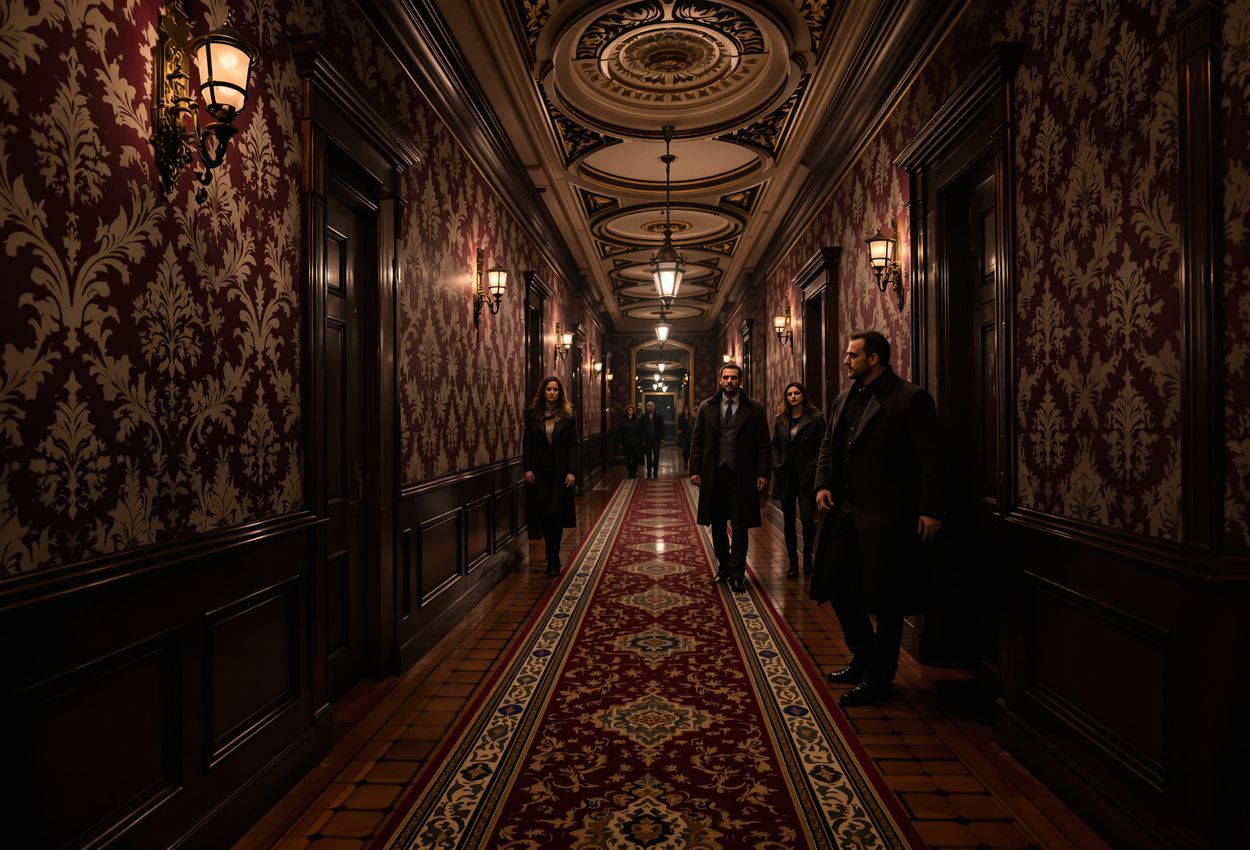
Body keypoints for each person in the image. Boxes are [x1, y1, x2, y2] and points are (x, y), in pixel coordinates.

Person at [810, 331, 942, 706]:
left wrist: (931, 509)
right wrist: (821, 483)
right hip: (844, 512)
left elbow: (930, 459)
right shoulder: (842, 398)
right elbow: (827, 446)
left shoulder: (909, 398)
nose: (846, 360)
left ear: (875, 359)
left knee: (887, 600)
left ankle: (880, 676)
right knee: (836, 583)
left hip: (888, 515)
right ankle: (863, 655)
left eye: (852, 355)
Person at [688, 363, 771, 593]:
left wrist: (763, 472)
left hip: (742, 476)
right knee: (717, 524)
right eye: (725, 377)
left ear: (740, 380)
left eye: (733, 378)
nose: (729, 381)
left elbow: (764, 444)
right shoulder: (707, 407)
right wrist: (694, 469)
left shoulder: (755, 408)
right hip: (714, 475)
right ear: (720, 380)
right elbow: (697, 441)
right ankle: (723, 566)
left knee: (740, 525)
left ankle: (737, 574)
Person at [523, 376, 579, 578]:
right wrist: (527, 468)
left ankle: (554, 558)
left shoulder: (568, 414)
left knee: (556, 511)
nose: (552, 393)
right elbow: (527, 443)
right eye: (549, 389)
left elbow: (573, 445)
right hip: (539, 471)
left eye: (555, 390)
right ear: (543, 391)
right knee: (544, 512)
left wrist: (572, 471)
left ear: (560, 392)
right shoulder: (532, 414)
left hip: (560, 471)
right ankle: (550, 552)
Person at [770, 381, 826, 579]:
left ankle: (808, 559)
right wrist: (776, 465)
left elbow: (822, 446)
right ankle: (792, 561)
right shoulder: (781, 419)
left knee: (807, 520)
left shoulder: (816, 418)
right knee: (788, 521)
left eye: (796, 393)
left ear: (803, 395)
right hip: (785, 476)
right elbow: (774, 445)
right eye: (789, 394)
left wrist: (813, 468)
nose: (793, 396)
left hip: (806, 476)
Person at [618, 404, 643, 479]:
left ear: (633, 411)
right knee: (628, 458)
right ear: (627, 411)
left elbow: (640, 431)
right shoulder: (623, 420)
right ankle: (630, 472)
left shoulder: (638, 419)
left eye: (631, 410)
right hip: (626, 442)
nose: (630, 411)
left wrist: (641, 441)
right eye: (629, 410)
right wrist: (620, 442)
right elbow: (620, 432)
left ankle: (634, 472)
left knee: (635, 458)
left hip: (635, 442)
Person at [640, 401, 665, 477]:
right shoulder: (644, 416)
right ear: (647, 407)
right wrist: (643, 439)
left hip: (656, 439)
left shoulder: (659, 415)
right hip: (647, 439)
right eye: (649, 406)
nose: (650, 407)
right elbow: (642, 428)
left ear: (654, 407)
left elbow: (662, 427)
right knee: (648, 455)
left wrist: (662, 438)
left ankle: (655, 469)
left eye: (652, 406)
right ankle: (649, 470)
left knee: (656, 455)